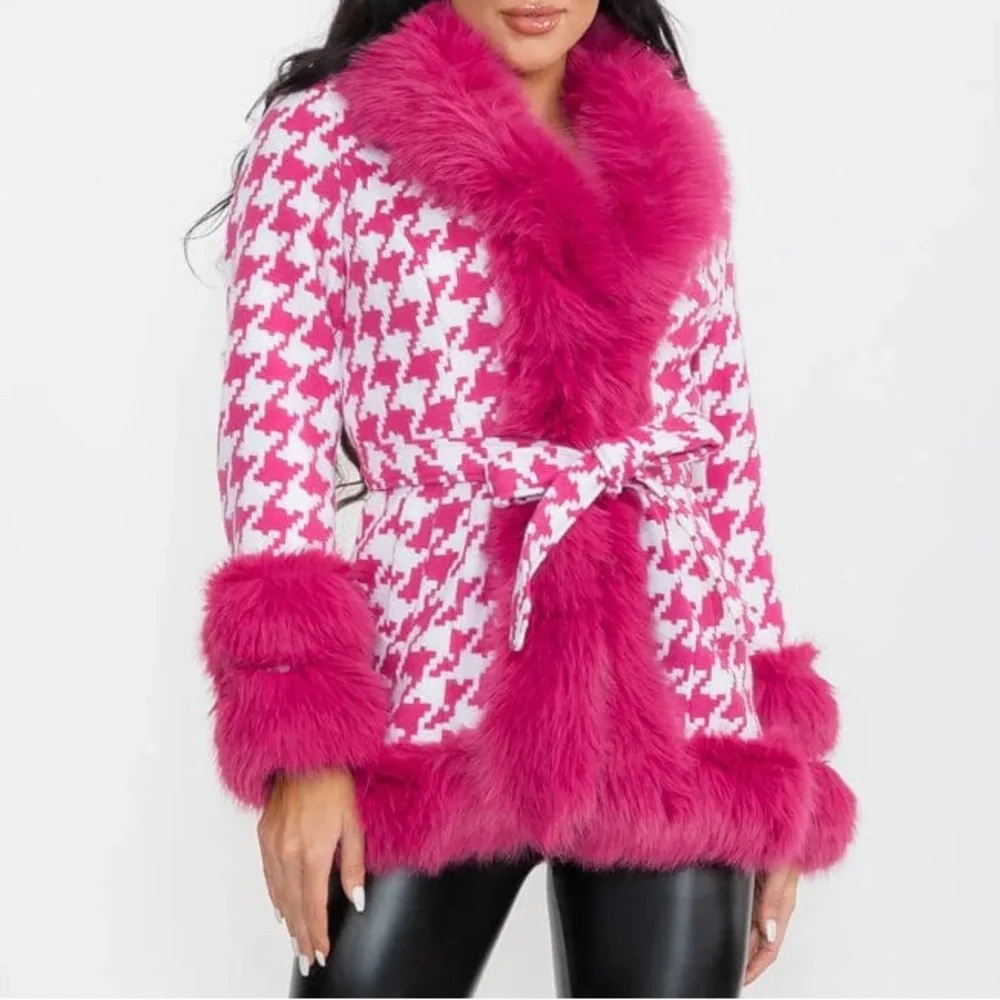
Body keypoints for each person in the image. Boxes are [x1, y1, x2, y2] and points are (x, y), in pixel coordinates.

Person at [194, 1, 856, 996]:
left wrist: (774, 755)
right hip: (428, 685)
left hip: (674, 688)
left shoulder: (666, 138)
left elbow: (722, 457)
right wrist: (303, 745)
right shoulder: (328, 137)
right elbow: (271, 432)